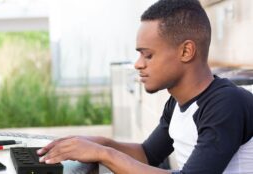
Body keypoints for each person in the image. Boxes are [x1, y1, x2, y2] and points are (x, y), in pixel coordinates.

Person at [37, 0, 253, 173]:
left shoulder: (226, 104)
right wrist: (98, 144)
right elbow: (147, 154)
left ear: (186, 51)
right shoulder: (178, 102)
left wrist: (105, 154)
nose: (138, 64)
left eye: (148, 55)